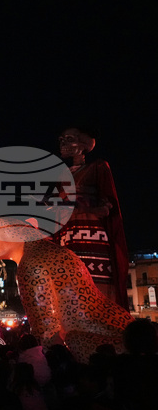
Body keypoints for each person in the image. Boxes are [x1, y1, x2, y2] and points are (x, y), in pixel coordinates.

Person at [56, 127, 130, 305]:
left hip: (91, 235)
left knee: (94, 286)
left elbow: (106, 206)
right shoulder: (61, 175)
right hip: (67, 237)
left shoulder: (97, 167)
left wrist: (81, 211)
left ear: (82, 145)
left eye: (69, 138)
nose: (63, 143)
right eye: (62, 139)